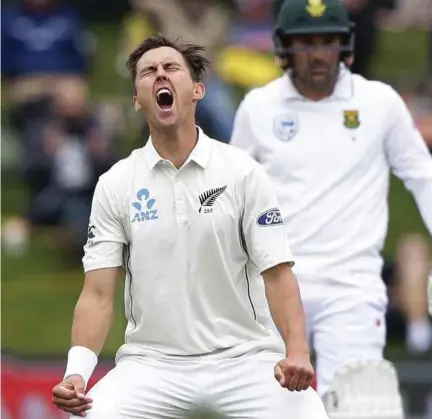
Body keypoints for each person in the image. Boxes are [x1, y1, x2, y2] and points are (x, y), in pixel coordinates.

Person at [51, 34, 329, 419]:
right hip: (153, 364)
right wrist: (76, 374)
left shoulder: (242, 172)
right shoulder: (116, 183)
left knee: (310, 415)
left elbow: (278, 275)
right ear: (137, 99)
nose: (160, 75)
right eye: (148, 72)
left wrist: (297, 352)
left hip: (245, 358)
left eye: (171, 68)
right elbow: (98, 294)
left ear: (197, 90)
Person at [230, 0, 432, 415]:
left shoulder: (379, 103)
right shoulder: (259, 107)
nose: (319, 53)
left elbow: (423, 175)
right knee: (276, 410)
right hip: (274, 285)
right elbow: (230, 192)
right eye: (306, 42)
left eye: (329, 41)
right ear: (283, 49)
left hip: (352, 287)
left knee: (363, 406)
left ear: (346, 46)